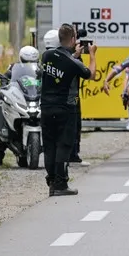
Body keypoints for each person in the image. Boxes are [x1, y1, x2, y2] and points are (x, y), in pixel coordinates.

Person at [40, 24, 96, 196]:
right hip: (66, 108)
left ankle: (51, 182)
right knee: (63, 145)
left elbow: (61, 64)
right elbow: (91, 74)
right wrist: (92, 55)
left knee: (49, 145)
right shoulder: (73, 62)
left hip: (46, 107)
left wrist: (74, 55)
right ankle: (61, 184)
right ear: (73, 40)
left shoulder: (46, 56)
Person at [0, 45, 41, 167]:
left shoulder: (40, 69)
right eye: (27, 61)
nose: (30, 64)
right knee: (6, 126)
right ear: (21, 59)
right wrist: (3, 87)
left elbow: (45, 80)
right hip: (20, 96)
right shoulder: (13, 67)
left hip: (34, 96)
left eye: (32, 62)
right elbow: (5, 78)